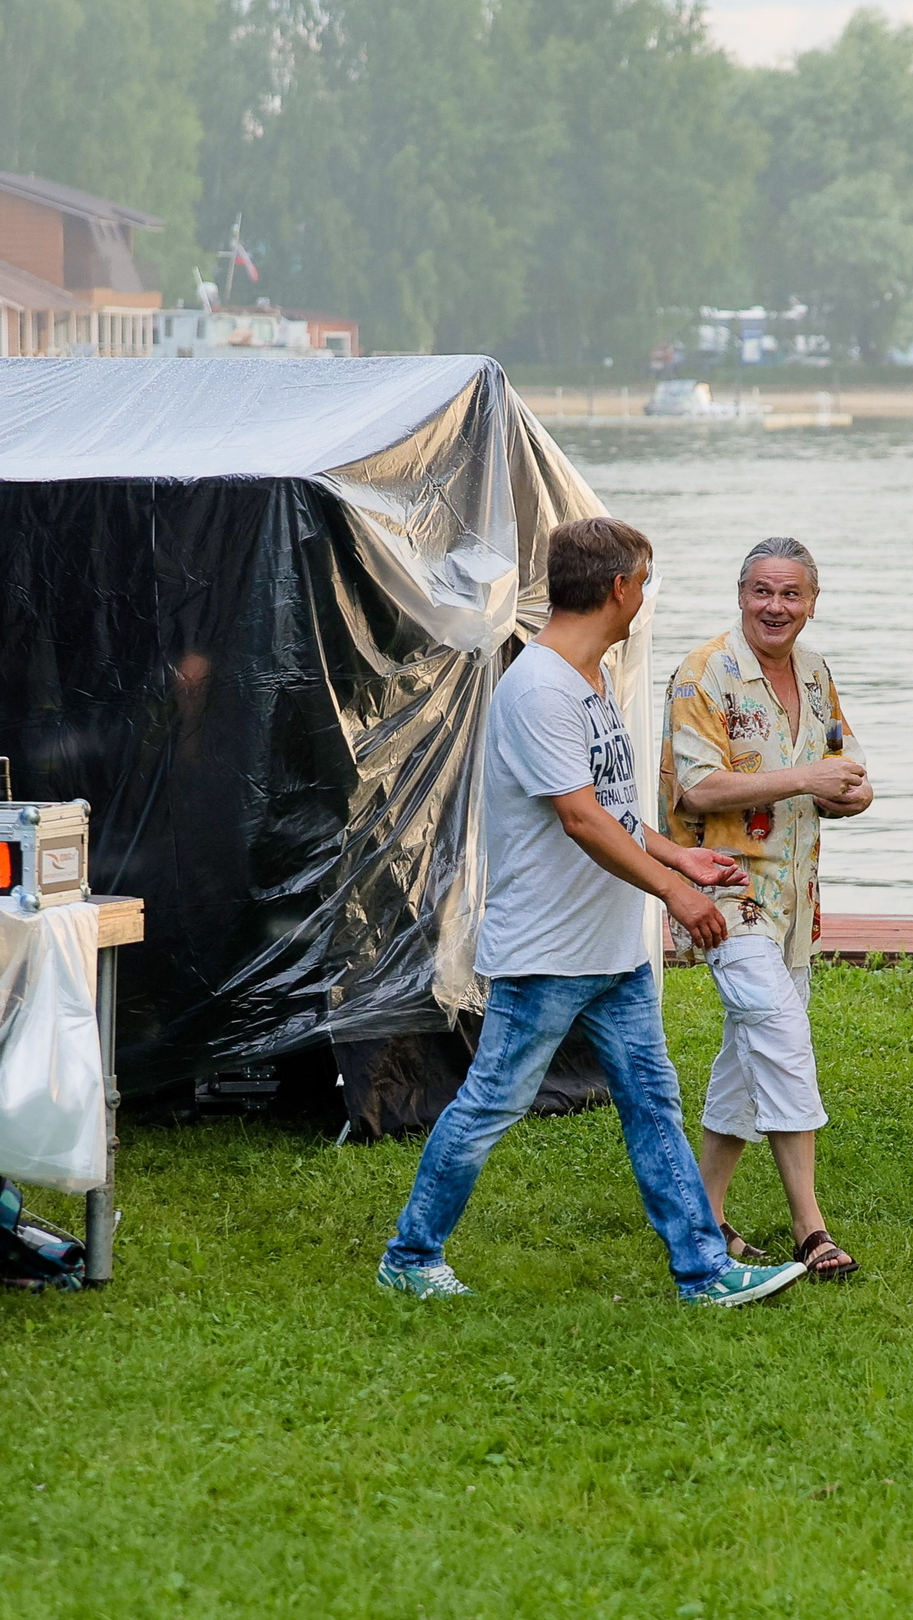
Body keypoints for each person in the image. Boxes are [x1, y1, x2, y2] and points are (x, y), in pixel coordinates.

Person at [377, 517, 807, 1307]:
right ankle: (410, 1252)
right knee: (490, 1103)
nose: (644, 595)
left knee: (653, 1100)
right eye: (642, 581)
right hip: (547, 950)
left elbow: (611, 807)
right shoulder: (539, 688)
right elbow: (579, 819)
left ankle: (703, 1271)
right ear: (618, 588)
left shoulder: (592, 678)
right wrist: (674, 893)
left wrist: (678, 856)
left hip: (609, 948)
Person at [662, 536, 873, 1279]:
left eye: (790, 594)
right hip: (724, 889)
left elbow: (836, 766)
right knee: (780, 1035)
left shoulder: (815, 673)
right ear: (740, 594)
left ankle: (702, 1216)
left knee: (747, 1058)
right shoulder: (705, 673)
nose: (774, 606)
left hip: (795, 897)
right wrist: (805, 774)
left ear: (813, 602)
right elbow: (698, 787)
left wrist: (849, 790)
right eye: (761, 591)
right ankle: (810, 1228)